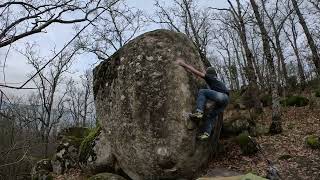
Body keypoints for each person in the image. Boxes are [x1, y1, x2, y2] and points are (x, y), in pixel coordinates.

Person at [176, 58, 229, 140]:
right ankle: (206, 133)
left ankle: (199, 112)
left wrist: (183, 64)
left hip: (222, 96)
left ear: (209, 74)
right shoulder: (217, 81)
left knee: (202, 91)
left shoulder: (210, 78)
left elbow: (197, 72)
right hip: (225, 101)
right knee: (210, 116)